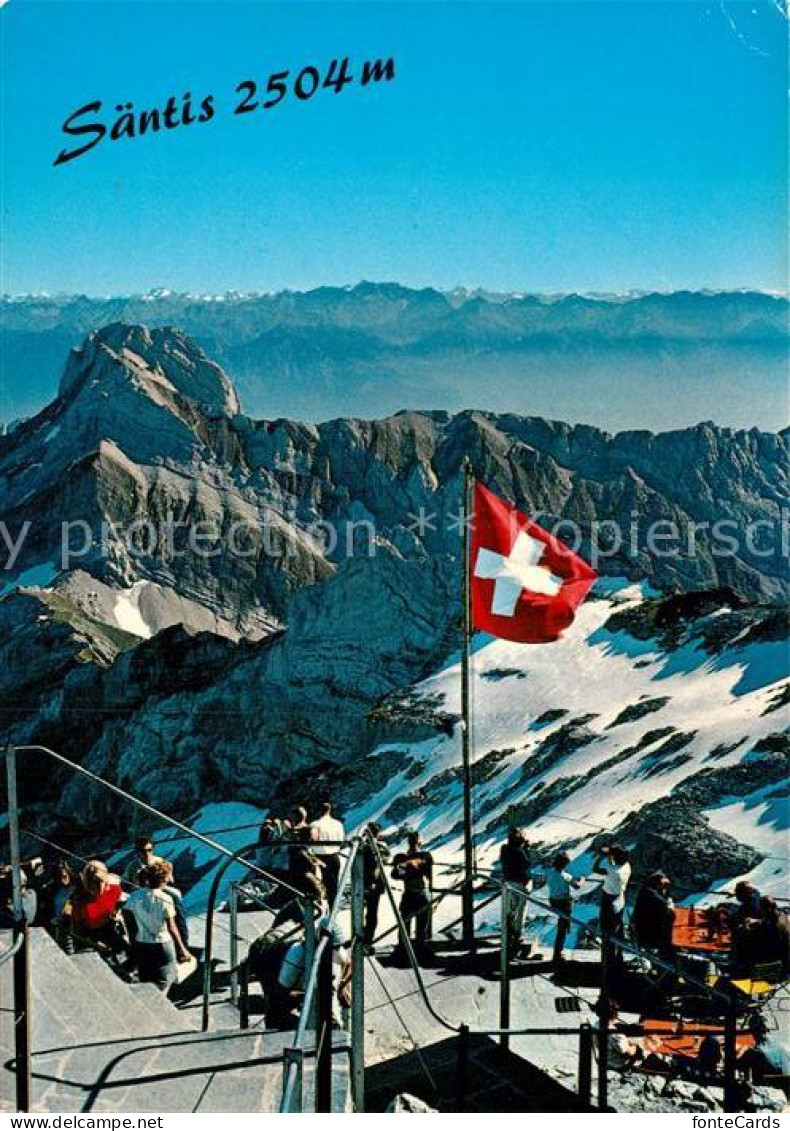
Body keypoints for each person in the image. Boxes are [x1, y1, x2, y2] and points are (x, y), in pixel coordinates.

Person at [124, 860, 192, 992]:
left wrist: (133, 940)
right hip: (162, 943)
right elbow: (172, 928)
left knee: (146, 979)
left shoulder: (135, 896)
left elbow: (128, 916)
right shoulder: (165, 898)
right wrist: (182, 949)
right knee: (166, 978)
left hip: (142, 942)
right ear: (164, 878)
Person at [278, 917, 351, 1027]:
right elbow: (283, 989)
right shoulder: (297, 954)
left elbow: (348, 962)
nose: (334, 951)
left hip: (331, 998)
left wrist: (344, 985)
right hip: (304, 1000)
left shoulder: (336, 949)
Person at [70, 860, 127, 958]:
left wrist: (118, 914)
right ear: (88, 882)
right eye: (95, 882)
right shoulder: (80, 898)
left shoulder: (115, 890)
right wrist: (93, 944)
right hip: (92, 942)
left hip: (114, 936)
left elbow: (123, 908)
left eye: (102, 881)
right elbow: (76, 930)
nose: (100, 886)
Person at [391, 831, 433, 960]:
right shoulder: (422, 856)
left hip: (413, 892)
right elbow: (396, 874)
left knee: (409, 924)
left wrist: (406, 865)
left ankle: (407, 950)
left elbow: (396, 874)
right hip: (419, 892)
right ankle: (416, 950)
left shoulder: (404, 858)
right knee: (418, 925)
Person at [593, 844, 632, 966]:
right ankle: (618, 957)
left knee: (606, 930)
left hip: (608, 901)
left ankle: (607, 960)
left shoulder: (612, 870)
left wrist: (600, 856)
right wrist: (610, 855)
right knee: (618, 928)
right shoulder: (626, 866)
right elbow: (613, 864)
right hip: (620, 898)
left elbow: (595, 869)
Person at [545, 852, 585, 966]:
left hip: (553, 901)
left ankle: (558, 951)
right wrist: (582, 879)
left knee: (561, 926)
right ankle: (557, 954)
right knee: (562, 929)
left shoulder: (549, 873)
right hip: (564, 904)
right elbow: (577, 886)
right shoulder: (566, 876)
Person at [500, 828, 533, 956]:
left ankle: (509, 935)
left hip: (508, 882)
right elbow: (527, 863)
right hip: (521, 884)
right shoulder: (520, 851)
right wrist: (526, 848)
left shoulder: (504, 849)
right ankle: (517, 936)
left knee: (510, 910)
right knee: (521, 911)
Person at [631, 872, 676, 962]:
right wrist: (670, 905)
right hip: (649, 935)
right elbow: (670, 914)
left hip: (646, 931)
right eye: (663, 885)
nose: (665, 889)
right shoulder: (651, 896)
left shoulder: (645, 891)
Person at [310, 801, 345, 908]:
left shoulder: (315, 824)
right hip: (335, 856)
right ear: (329, 810)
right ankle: (334, 908)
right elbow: (341, 840)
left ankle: (323, 909)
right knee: (334, 886)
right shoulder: (338, 824)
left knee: (322, 885)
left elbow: (312, 839)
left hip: (320, 858)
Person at [362, 822, 390, 953]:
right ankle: (368, 939)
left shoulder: (366, 847)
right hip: (375, 885)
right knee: (372, 913)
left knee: (366, 913)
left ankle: (364, 939)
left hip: (367, 883)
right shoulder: (382, 847)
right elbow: (385, 859)